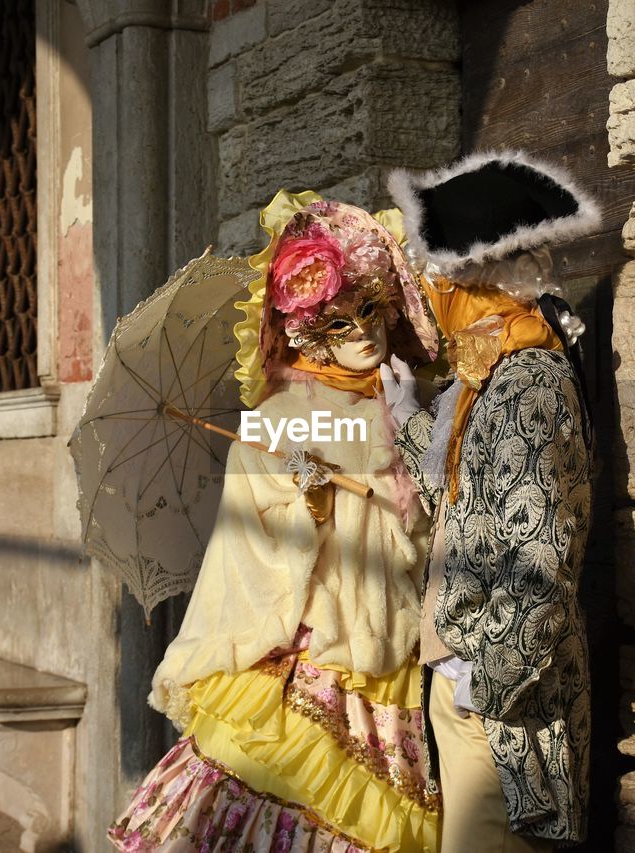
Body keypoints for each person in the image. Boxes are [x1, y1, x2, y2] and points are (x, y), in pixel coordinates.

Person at [108, 191, 441, 852]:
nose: (365, 332)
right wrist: (306, 500)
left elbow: (430, 528)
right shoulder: (278, 419)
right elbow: (250, 545)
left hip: (395, 651)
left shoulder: (404, 400)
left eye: (371, 310)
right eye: (342, 321)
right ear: (312, 328)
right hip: (309, 650)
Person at [381, 151, 599, 851]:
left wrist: (483, 677)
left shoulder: (530, 382)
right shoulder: (488, 378)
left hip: (502, 714)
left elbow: (542, 568)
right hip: (462, 694)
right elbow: (468, 498)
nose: (432, 295)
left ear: (474, 284)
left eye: (440, 281)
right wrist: (410, 417)